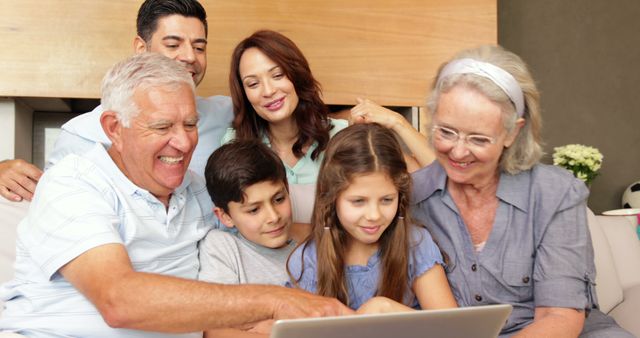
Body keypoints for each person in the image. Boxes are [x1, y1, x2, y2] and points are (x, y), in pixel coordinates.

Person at [0, 53, 350, 337]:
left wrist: (349, 234)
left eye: (190, 124)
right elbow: (118, 300)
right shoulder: (74, 183)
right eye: (163, 127)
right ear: (113, 129)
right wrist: (278, 302)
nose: (183, 143)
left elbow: (268, 228)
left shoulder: (196, 190)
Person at [410, 45, 633, 337]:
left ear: (512, 133)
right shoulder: (410, 196)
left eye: (478, 139)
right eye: (446, 132)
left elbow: (559, 317)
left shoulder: (556, 193)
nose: (458, 150)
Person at [0, 0, 233, 203]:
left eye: (199, 47)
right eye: (173, 45)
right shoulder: (82, 134)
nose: (190, 57)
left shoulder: (226, 113)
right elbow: (53, 203)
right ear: (141, 49)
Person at [287, 123, 458, 312]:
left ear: (399, 196)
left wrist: (386, 309)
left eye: (386, 200)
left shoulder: (416, 244)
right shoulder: (308, 259)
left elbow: (450, 329)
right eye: (358, 201)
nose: (374, 215)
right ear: (331, 198)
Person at [223, 30, 348, 223]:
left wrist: (397, 123)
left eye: (278, 75)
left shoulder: (341, 136)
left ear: (297, 75)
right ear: (244, 94)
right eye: (253, 84)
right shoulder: (234, 143)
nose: (268, 91)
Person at [199, 140, 307, 338]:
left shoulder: (311, 241)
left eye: (279, 199)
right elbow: (215, 331)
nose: (274, 217)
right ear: (225, 216)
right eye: (254, 210)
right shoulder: (223, 247)